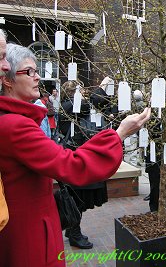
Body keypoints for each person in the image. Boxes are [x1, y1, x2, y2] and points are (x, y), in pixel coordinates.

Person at [0, 43, 151, 267]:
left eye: (37, 71)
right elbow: (72, 165)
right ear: (8, 80)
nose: (37, 78)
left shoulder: (14, 120)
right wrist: (119, 134)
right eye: (29, 71)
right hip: (29, 229)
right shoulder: (15, 125)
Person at [58, 80, 109, 249]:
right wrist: (102, 86)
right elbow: (92, 103)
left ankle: (72, 229)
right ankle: (74, 232)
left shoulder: (70, 107)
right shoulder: (68, 106)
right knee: (76, 198)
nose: (84, 95)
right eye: (80, 92)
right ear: (73, 93)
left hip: (75, 156)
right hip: (73, 158)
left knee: (76, 197)